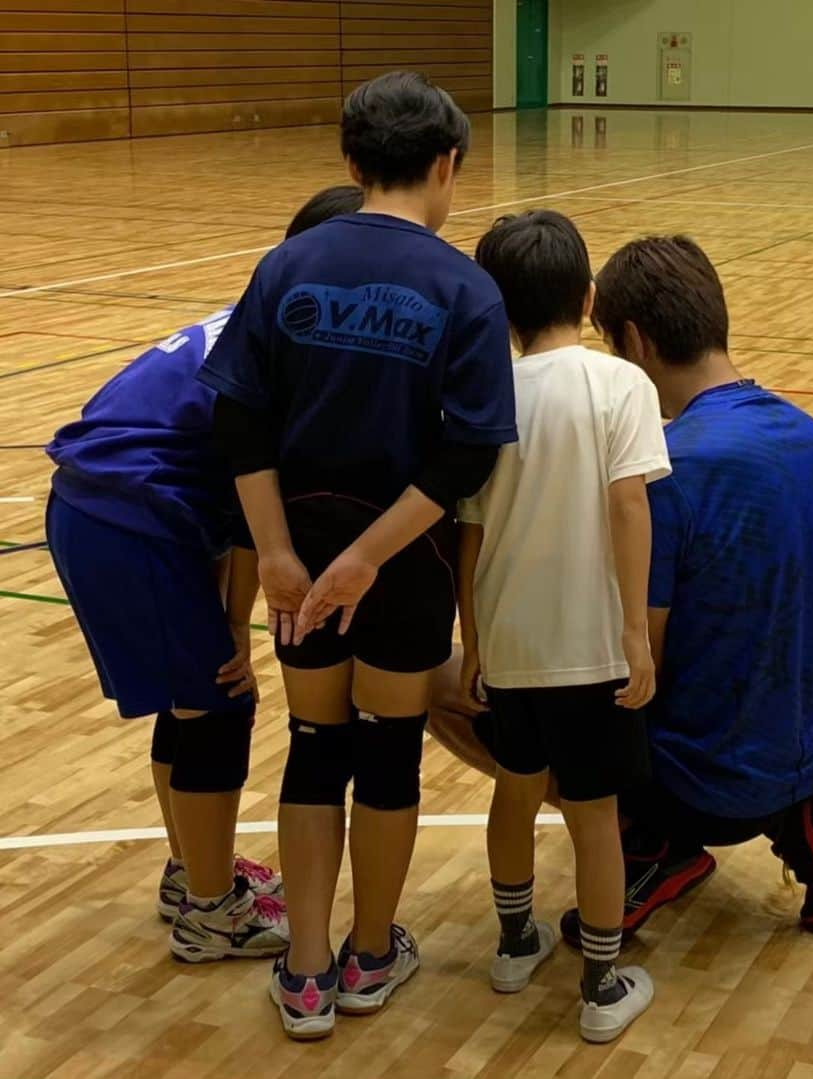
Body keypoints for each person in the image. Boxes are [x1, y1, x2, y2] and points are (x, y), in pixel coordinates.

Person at [428, 234, 813, 943]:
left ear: (632, 338)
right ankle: (801, 812)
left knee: (452, 684)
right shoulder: (809, 435)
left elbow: (644, 656)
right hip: (807, 745)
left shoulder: (669, 466)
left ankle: (652, 842)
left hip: (694, 782)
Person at [198, 72, 517, 1041]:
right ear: (447, 165)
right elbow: (468, 449)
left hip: (303, 558)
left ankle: (303, 970)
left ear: (349, 163)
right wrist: (372, 558)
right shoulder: (465, 286)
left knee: (313, 747)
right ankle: (370, 952)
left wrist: (285, 555)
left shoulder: (285, 266)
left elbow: (238, 420)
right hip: (405, 562)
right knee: (387, 753)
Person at [45, 184, 365, 963]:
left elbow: (223, 487)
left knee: (188, 699)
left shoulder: (253, 322)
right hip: (132, 514)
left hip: (95, 504)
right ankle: (212, 909)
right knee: (219, 704)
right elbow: (260, 512)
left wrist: (228, 615)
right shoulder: (291, 354)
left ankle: (192, 868)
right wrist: (235, 624)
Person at [462, 210, 670, 1043]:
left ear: (499, 312)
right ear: (588, 298)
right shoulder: (622, 385)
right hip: (592, 652)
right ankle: (600, 984)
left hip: (511, 646)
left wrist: (475, 643)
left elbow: (468, 535)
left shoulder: (486, 395)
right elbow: (629, 505)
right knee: (594, 817)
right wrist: (634, 633)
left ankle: (515, 945)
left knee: (514, 795)